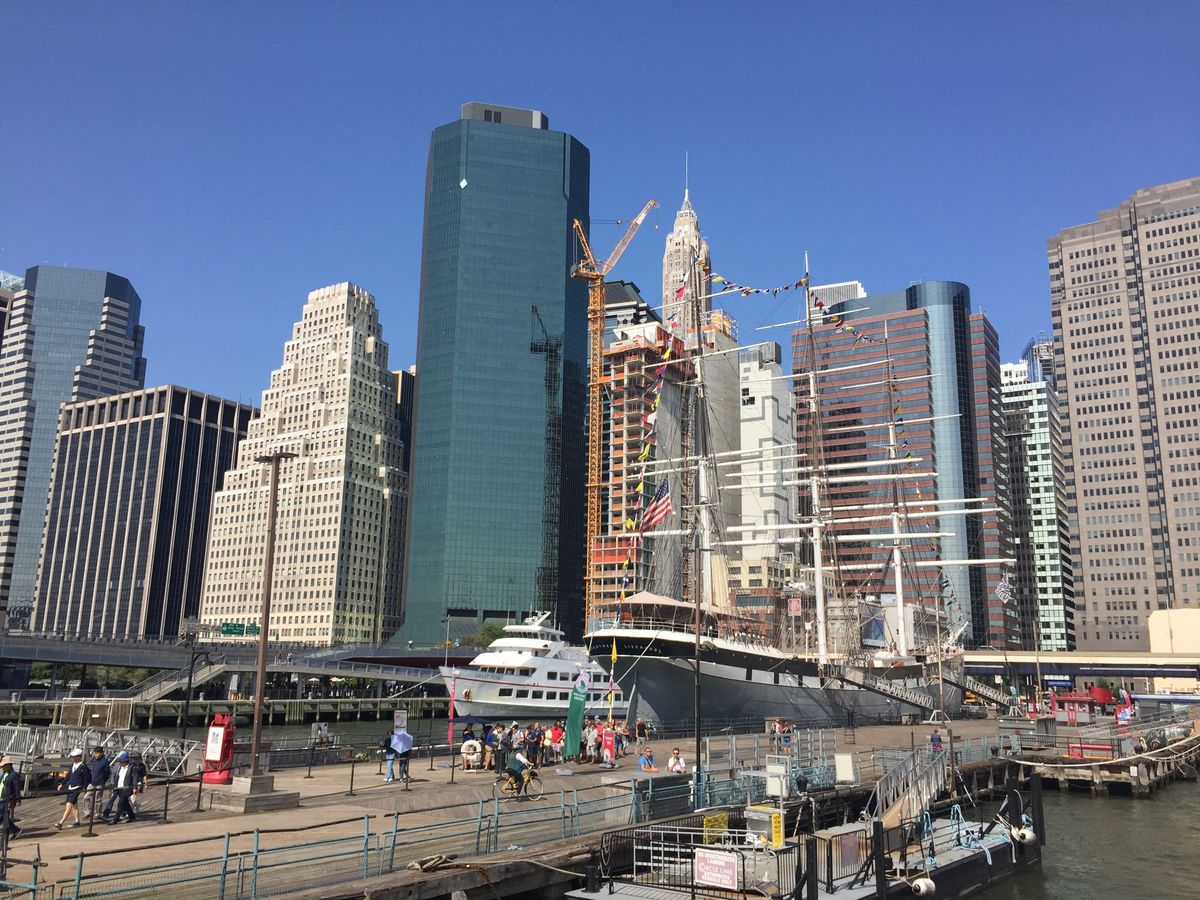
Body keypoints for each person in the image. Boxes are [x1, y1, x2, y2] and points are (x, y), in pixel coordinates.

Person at [56, 748, 90, 829]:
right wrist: (62, 783)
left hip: (77, 787)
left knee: (69, 805)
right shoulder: (72, 765)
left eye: (74, 757)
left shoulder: (83, 766)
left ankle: (61, 822)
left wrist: (84, 787)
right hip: (70, 786)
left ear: (79, 757)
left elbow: (86, 778)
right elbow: (68, 775)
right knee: (74, 805)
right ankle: (77, 821)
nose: (72, 758)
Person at [83, 746, 110, 821]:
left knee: (98, 800)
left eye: (97, 753)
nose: (95, 755)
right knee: (86, 797)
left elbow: (107, 772)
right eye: (95, 753)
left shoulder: (105, 761)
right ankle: (87, 812)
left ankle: (98, 814)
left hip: (100, 783)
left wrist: (103, 781)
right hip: (92, 782)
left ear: (101, 753)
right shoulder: (95, 760)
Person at [109, 752, 137, 824]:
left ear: (125, 761)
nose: (120, 763)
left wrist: (135, 787)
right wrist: (114, 786)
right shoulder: (120, 768)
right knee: (125, 803)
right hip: (119, 788)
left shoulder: (131, 768)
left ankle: (115, 819)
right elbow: (117, 777)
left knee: (121, 803)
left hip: (127, 788)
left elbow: (134, 778)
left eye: (121, 761)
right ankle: (132, 816)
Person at [0, 755, 22, 841]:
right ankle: (15, 830)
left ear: (8, 765)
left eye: (3, 766)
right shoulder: (4, 774)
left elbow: (17, 787)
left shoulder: (13, 775)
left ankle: (15, 830)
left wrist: (18, 799)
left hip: (7, 799)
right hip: (1, 797)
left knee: (2, 816)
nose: (2, 768)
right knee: (3, 817)